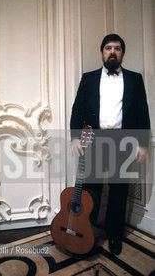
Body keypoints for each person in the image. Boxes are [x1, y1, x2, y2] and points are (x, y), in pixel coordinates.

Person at [70, 34, 150, 255]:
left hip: (123, 142)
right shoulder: (88, 78)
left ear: (122, 53)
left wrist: (143, 144)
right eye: (108, 48)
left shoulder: (135, 79)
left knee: (118, 191)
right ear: (102, 52)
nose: (112, 52)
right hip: (94, 140)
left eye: (117, 48)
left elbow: (143, 112)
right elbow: (77, 109)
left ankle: (115, 235)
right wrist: (75, 137)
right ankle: (88, 232)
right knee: (92, 190)